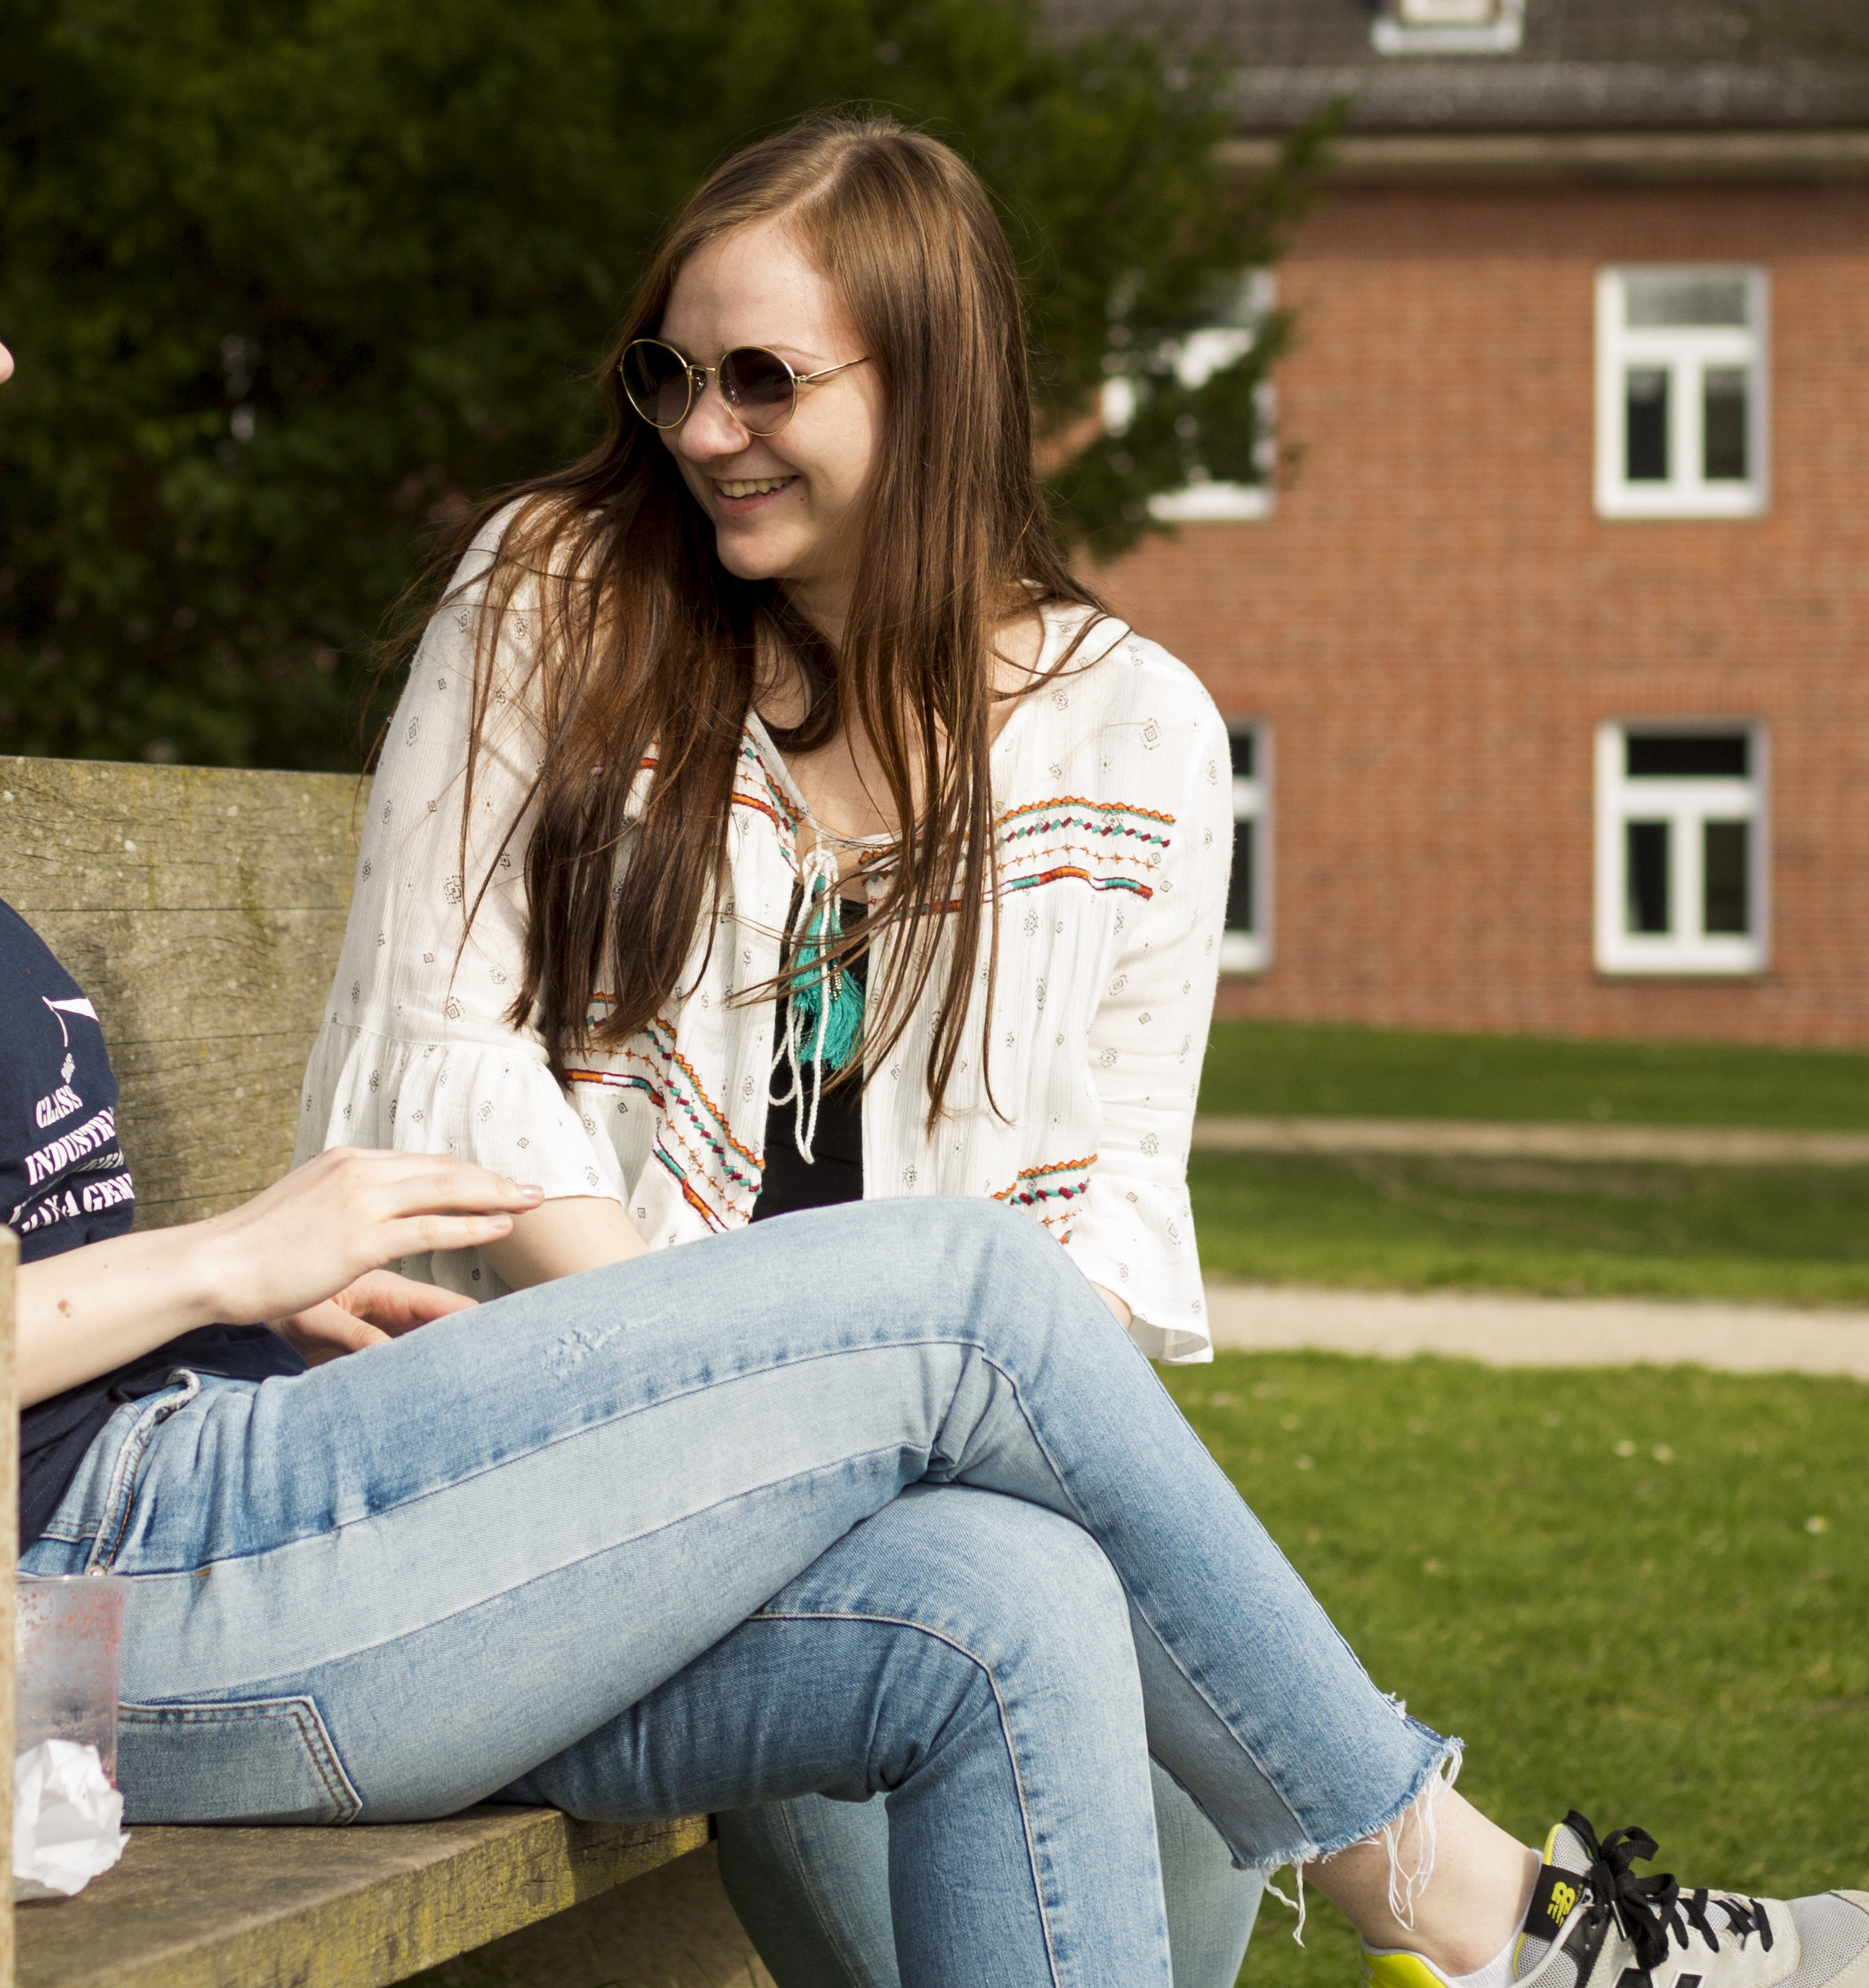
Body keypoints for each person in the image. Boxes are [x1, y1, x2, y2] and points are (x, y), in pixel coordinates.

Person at [0, 72, 1869, 1988]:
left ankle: (1471, 1903)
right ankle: (1485, 1907)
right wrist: (213, 1260)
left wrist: (254, 1299)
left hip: (211, 1490)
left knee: (1001, 1603)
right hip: (39, 1619)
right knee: (950, 1307)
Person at [295, 112, 1264, 1987]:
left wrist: (883, 1448)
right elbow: (448, 1060)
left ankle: (1453, 1891)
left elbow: (1102, 1216)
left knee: (1178, 1810)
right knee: (973, 1693)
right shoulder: (559, 603)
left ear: (942, 387)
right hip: (563, 1449)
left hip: (944, 1490)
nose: (701, 430)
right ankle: (1472, 1903)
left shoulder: (1136, 734)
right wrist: (755, 1404)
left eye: (762, 379)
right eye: (673, 373)